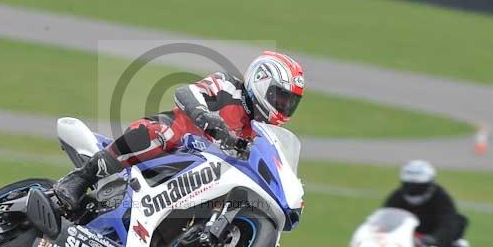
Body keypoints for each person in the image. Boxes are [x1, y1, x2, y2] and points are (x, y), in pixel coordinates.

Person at [53, 50, 305, 211]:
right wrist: (206, 117)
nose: (284, 107)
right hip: (174, 146)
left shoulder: (261, 134)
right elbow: (187, 92)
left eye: (289, 103)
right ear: (261, 81)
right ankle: (80, 178)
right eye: (280, 98)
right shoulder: (229, 87)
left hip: (200, 179)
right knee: (163, 133)